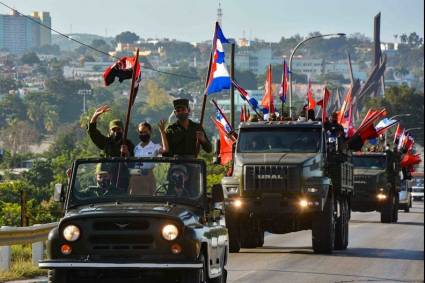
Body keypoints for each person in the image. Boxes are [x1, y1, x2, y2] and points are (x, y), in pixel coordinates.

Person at [129, 120, 169, 196]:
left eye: (145, 132)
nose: (143, 134)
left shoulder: (155, 147)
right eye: (141, 132)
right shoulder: (136, 148)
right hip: (136, 175)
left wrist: (162, 132)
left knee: (148, 200)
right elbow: (133, 165)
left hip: (148, 176)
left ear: (150, 132)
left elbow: (165, 150)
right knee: (133, 199)